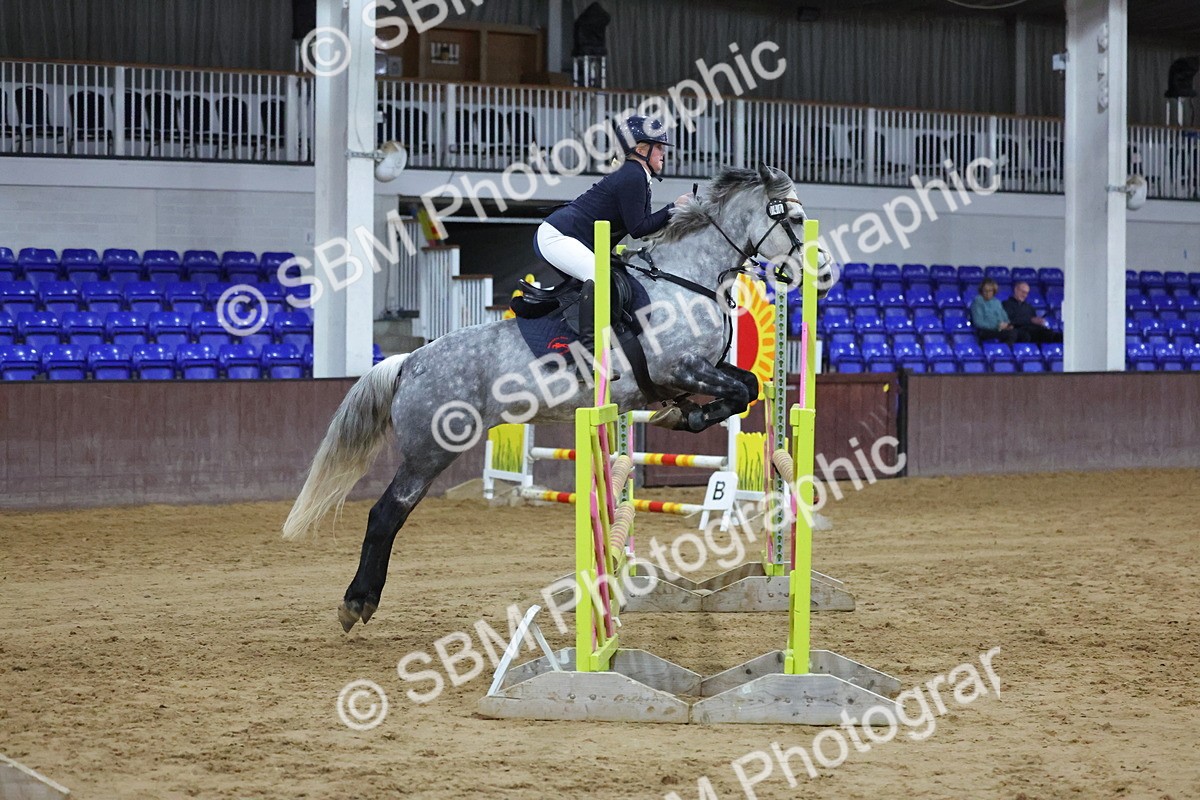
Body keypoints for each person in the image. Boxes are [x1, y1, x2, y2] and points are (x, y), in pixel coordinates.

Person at [534, 114, 691, 284]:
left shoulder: (636, 174)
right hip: (558, 237)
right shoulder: (633, 175)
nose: (663, 152)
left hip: (569, 237)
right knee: (602, 280)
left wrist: (679, 213)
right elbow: (638, 229)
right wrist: (674, 207)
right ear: (640, 151)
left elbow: (647, 227)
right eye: (659, 147)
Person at [969, 278, 1017, 344]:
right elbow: (978, 322)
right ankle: (1005, 352)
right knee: (1010, 334)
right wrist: (997, 326)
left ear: (994, 291)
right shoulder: (977, 302)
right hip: (985, 331)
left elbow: (1005, 317)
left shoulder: (997, 302)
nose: (987, 293)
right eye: (985, 290)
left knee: (1021, 334)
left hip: (1000, 329)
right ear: (981, 291)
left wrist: (1007, 325)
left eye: (990, 291)